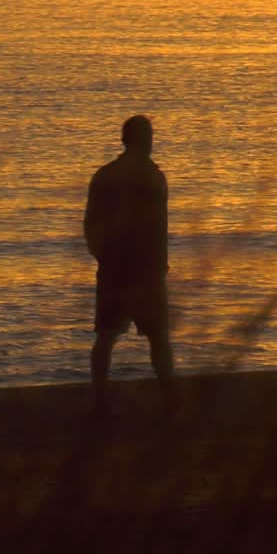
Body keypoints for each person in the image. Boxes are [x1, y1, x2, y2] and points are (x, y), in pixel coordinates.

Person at [84, 115, 176, 411]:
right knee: (158, 338)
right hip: (145, 271)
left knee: (107, 337)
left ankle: (100, 399)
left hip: (116, 268)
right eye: (148, 137)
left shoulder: (106, 175)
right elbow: (158, 227)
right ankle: (169, 398)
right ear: (144, 140)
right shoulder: (153, 177)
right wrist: (159, 264)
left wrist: (103, 256)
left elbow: (91, 224)